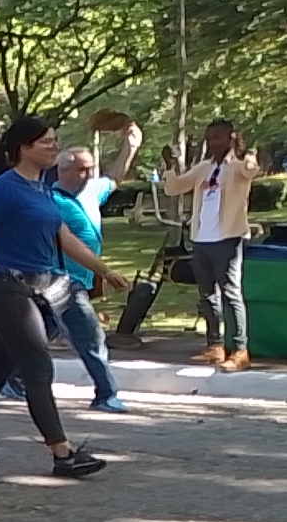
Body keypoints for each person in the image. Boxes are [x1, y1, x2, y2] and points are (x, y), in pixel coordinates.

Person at [0, 117, 129, 478]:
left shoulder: (42, 189)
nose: (53, 147)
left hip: (41, 287)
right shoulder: (4, 188)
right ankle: (63, 454)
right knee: (38, 367)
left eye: (55, 140)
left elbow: (63, 237)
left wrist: (103, 270)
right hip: (7, 290)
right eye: (45, 142)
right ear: (23, 148)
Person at [46, 125, 142, 412]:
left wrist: (131, 147)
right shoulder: (51, 201)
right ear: (63, 171)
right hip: (61, 281)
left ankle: (10, 380)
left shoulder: (91, 191)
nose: (89, 175)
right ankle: (106, 393)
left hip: (82, 279)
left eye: (90, 169)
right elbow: (65, 242)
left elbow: (114, 176)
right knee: (91, 336)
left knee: (40, 334)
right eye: (82, 170)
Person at [165, 119, 259, 372]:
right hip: (202, 238)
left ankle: (240, 350)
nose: (213, 143)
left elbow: (251, 170)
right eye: (210, 138)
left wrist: (245, 154)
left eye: (218, 137)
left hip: (227, 238)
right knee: (207, 295)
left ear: (230, 137)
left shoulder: (238, 167)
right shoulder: (204, 168)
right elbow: (174, 188)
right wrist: (171, 165)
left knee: (231, 293)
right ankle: (215, 345)